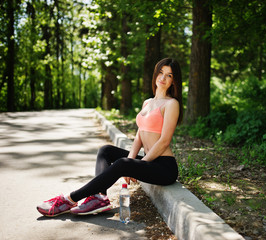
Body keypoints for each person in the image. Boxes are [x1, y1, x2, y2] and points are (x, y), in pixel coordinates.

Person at [37, 58, 183, 217]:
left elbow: (164, 141)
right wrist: (132, 160)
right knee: (106, 151)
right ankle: (99, 197)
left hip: (164, 167)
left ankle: (69, 199)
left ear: (174, 81)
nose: (163, 78)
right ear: (156, 74)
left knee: (123, 164)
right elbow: (140, 134)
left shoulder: (171, 104)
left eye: (169, 75)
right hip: (149, 161)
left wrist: (137, 164)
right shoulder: (148, 102)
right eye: (161, 73)